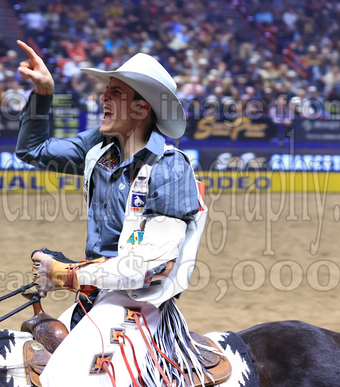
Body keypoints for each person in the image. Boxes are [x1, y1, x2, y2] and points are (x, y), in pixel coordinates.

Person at [15, 40, 208, 386]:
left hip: (141, 307)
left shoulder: (170, 168)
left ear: (140, 108)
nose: (103, 98)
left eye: (115, 92)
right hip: (94, 297)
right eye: (106, 90)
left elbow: (151, 269)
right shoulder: (99, 150)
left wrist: (68, 274)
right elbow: (33, 150)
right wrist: (43, 93)